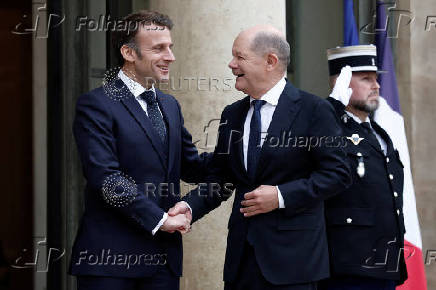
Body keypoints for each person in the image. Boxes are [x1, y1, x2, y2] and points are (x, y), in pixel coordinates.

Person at [170, 25, 351, 290]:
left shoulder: (314, 110)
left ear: (270, 61)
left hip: (293, 266)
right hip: (241, 263)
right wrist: (188, 207)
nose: (231, 65)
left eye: (239, 57)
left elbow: (338, 174)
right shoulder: (232, 114)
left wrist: (280, 196)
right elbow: (222, 177)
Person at [69, 10, 208, 290]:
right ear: (128, 53)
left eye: (170, 47)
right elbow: (106, 179)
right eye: (158, 48)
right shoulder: (96, 105)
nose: (170, 56)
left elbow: (192, 166)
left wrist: (246, 150)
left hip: (162, 262)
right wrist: (160, 220)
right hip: (111, 263)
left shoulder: (170, 106)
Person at [318, 45, 408, 290]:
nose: (376, 86)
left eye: (376, 79)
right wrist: (332, 106)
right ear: (343, 83)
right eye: (366, 79)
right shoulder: (329, 128)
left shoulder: (379, 134)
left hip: (385, 265)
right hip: (347, 267)